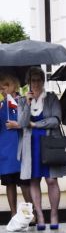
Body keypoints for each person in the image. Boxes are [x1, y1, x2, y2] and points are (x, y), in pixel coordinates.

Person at [18, 66, 66, 230]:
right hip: (31, 144)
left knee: (51, 180)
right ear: (28, 82)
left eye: (39, 80)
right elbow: (22, 123)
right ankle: (39, 215)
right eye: (33, 80)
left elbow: (56, 120)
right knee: (34, 180)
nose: (36, 83)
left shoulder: (51, 98)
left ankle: (54, 214)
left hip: (49, 143)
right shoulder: (22, 100)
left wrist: (36, 124)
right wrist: (27, 103)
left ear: (43, 81)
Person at [0, 72, 31, 216]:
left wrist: (17, 125)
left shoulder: (23, 101)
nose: (2, 89)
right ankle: (13, 214)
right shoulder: (1, 104)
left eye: (5, 85)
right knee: (9, 183)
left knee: (24, 183)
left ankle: (30, 213)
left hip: (20, 148)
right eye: (1, 87)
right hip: (5, 150)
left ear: (14, 86)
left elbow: (30, 123)